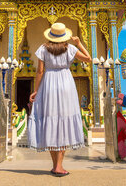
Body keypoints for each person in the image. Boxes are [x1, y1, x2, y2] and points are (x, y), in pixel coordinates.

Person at [28, 22, 92, 177]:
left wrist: (36, 90)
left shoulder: (43, 48)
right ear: (64, 35)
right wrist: (79, 43)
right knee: (64, 123)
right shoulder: (70, 48)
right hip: (65, 84)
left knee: (49, 121)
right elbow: (88, 59)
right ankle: (59, 166)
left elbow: (40, 71)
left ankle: (54, 165)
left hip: (48, 84)